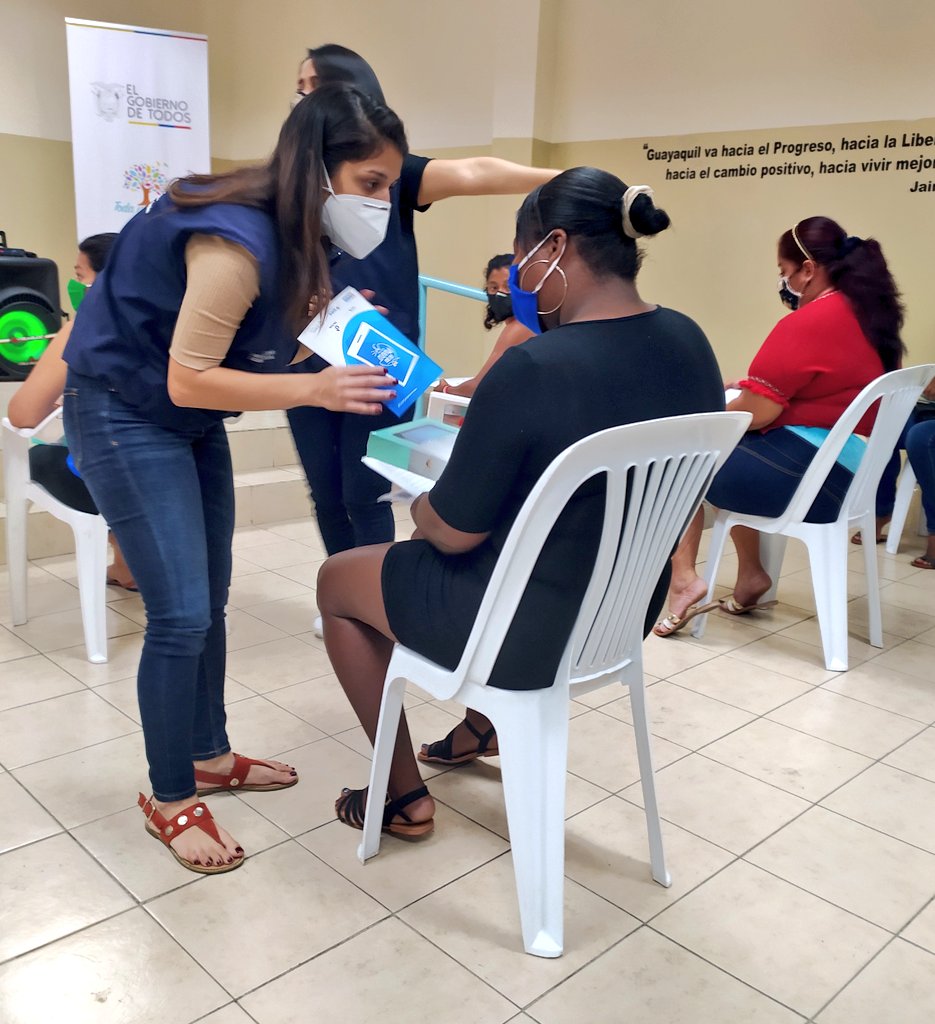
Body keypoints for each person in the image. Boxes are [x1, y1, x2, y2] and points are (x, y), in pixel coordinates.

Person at [315, 167, 725, 837]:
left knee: (338, 579)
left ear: (554, 246)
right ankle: (480, 727)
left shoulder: (535, 366)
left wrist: (419, 504)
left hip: (523, 630)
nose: (516, 276)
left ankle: (400, 797)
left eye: (521, 252)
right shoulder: (689, 343)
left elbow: (451, 533)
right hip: (619, 618)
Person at [61, 84, 407, 874]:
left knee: (208, 596)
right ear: (319, 172)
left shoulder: (295, 236)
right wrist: (318, 387)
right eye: (372, 186)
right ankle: (170, 794)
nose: (383, 203)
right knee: (180, 613)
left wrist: (324, 334)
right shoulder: (236, 239)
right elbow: (190, 377)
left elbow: (248, 350)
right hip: (123, 407)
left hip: (181, 416)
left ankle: (209, 752)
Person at [286, 45, 559, 594]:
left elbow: (476, 170)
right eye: (299, 88)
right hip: (304, 360)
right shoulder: (290, 184)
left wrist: (566, 177)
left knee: (364, 489)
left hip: (377, 358)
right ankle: (345, 588)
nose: (301, 99)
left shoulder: (390, 173)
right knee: (325, 490)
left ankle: (373, 592)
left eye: (311, 85)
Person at [654, 216, 905, 636]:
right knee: (741, 455)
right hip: (856, 473)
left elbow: (761, 413)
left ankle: (683, 581)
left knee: (681, 460)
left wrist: (732, 403)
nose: (784, 283)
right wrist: (752, 389)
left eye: (784, 273)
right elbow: (817, 389)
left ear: (807, 270)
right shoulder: (871, 316)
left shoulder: (810, 321)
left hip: (816, 478)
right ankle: (752, 576)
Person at [7, 232, 136, 589]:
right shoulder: (172, 323)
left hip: (110, 479)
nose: (75, 284)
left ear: (105, 279)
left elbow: (23, 415)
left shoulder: (85, 327)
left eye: (80, 275)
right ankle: (128, 566)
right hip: (174, 473)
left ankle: (127, 563)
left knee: (44, 456)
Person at [434, 253, 534, 399]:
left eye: (508, 287)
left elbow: (479, 387)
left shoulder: (519, 327)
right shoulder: (527, 322)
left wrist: (445, 390)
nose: (500, 293)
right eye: (493, 288)